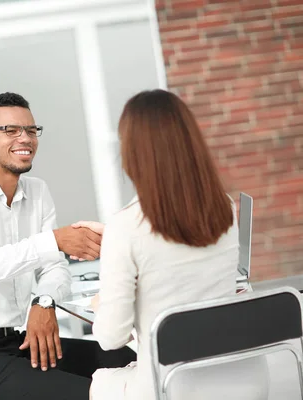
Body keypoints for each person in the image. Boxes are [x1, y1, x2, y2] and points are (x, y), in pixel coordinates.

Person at [0, 92, 136, 400]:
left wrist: (44, 302)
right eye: (10, 130)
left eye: (31, 130)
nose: (25, 137)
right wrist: (54, 240)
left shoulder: (37, 192)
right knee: (91, 395)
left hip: (21, 342)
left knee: (130, 361)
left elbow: (55, 267)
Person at [82, 90, 268, 399]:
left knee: (100, 383)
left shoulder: (125, 227)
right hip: (244, 379)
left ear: (133, 153)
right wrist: (118, 244)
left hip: (175, 385)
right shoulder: (223, 208)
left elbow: (111, 337)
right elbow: (180, 255)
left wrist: (100, 303)